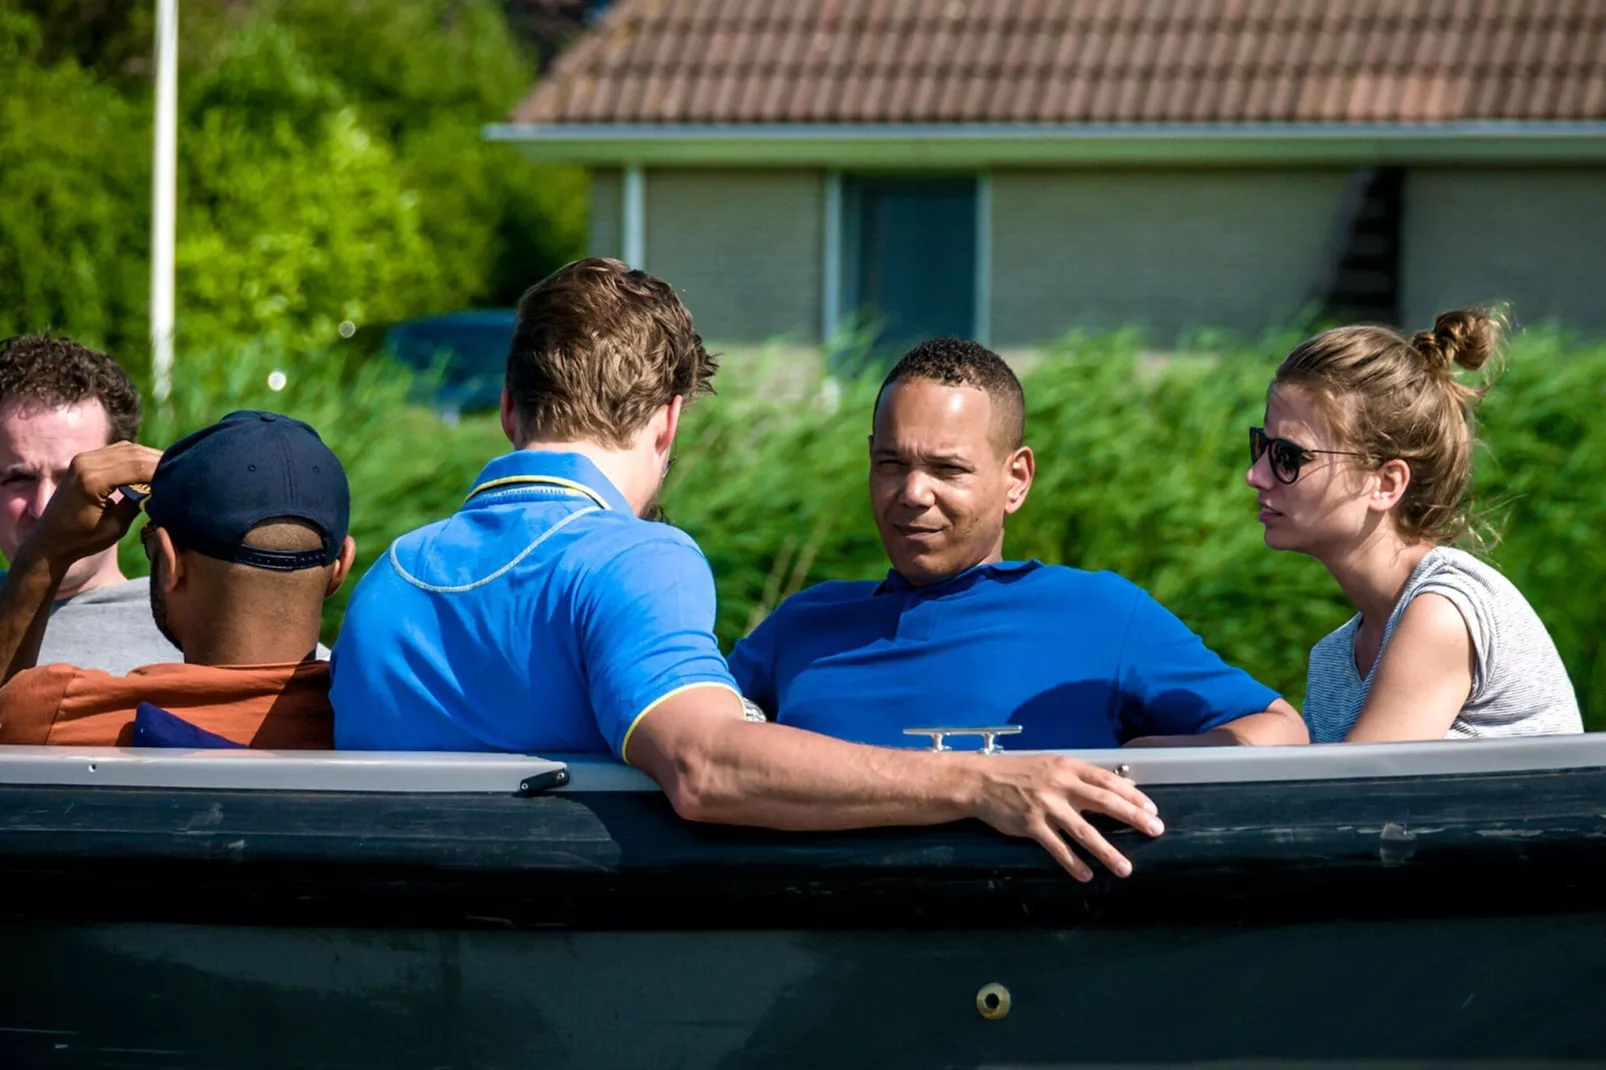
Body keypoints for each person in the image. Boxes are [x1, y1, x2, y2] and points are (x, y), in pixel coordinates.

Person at [333, 258, 1163, 882]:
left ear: (508, 409)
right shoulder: (636, 560)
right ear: (667, 422)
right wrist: (980, 782)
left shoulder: (389, 580)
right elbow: (704, 770)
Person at [728, 338, 1307, 750]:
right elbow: (682, 737)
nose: (912, 492)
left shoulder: (1100, 616)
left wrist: (1133, 766)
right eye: (891, 463)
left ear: (1017, 479)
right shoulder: (800, 627)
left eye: (947, 469)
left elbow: (1277, 727)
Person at [1247, 308, 1581, 743]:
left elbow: (1354, 801)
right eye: (1261, 446)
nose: (1256, 475)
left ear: (1386, 483)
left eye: (1289, 456)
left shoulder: (1442, 613)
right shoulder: (1333, 659)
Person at [0, 410, 355, 747]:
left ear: (171, 564)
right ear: (340, 566)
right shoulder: (373, 722)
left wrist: (43, 555)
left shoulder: (54, 715)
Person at [0, 332, 177, 673]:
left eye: (74, 481)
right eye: (18, 479)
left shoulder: (196, 626)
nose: (44, 509)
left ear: (129, 481)